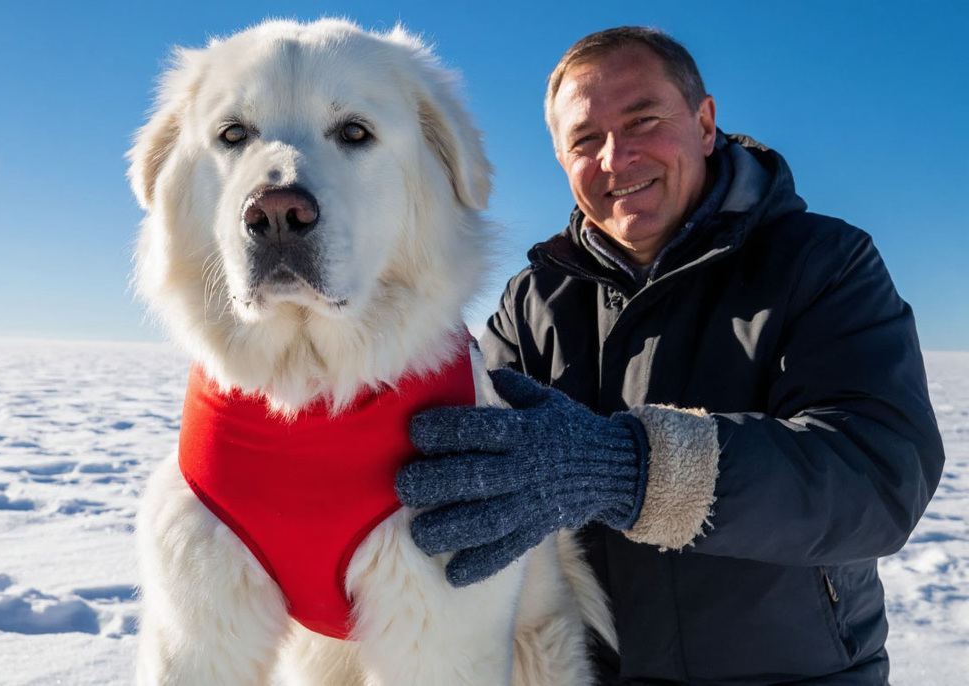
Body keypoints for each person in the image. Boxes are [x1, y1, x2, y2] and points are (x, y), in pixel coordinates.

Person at [395, 26, 946, 684]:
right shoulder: (531, 301)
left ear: (705, 123)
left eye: (643, 120)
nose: (614, 158)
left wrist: (625, 470)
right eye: (584, 140)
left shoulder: (821, 263)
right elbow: (459, 462)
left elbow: (879, 476)